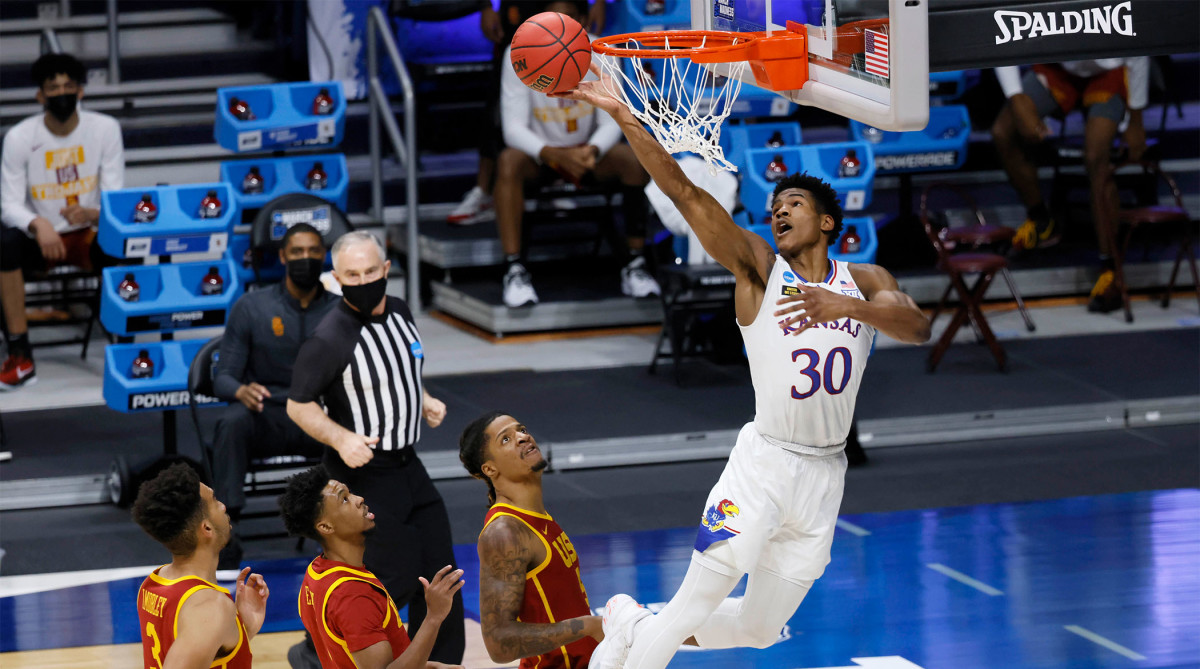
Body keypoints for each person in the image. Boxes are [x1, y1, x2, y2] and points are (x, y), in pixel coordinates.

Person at [552, 66, 931, 669]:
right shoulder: (759, 267)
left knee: (759, 629)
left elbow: (919, 329)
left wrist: (846, 305)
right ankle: (643, 637)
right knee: (699, 598)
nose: (779, 211)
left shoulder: (869, 281)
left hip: (825, 473)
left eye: (795, 203)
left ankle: (631, 622)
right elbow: (686, 193)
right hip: (765, 464)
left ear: (828, 222)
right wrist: (625, 117)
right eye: (775, 204)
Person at [287, 231, 464, 665]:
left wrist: (421, 400)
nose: (363, 280)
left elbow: (399, 370)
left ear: (386, 270)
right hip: (363, 475)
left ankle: (442, 663)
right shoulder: (328, 338)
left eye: (370, 271)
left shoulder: (402, 312)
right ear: (336, 278)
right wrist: (341, 437)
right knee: (389, 577)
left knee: (441, 573)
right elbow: (297, 405)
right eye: (352, 274)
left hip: (410, 466)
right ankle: (315, 656)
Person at [495, 0, 659, 308]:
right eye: (554, 20)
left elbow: (614, 118)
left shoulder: (602, 51)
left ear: (583, 20)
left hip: (589, 153)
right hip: (540, 155)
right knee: (508, 162)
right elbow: (512, 129)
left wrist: (592, 150)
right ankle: (514, 268)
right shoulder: (518, 54)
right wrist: (552, 153)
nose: (561, 29)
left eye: (569, 19)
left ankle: (636, 264)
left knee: (633, 160)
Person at [209, 222, 340, 571]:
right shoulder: (252, 307)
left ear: (324, 256)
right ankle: (226, 532)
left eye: (314, 251)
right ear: (282, 257)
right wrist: (240, 390)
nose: (306, 258)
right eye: (297, 252)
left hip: (319, 418)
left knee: (356, 426)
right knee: (231, 422)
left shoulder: (343, 312)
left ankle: (350, 528)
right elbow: (223, 377)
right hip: (267, 414)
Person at [0, 52, 124, 390]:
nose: (62, 93)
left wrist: (91, 214)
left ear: (82, 91)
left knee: (127, 243)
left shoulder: (105, 129)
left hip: (87, 235)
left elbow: (116, 197)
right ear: (40, 96)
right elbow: (8, 204)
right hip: (42, 240)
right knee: (4, 245)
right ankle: (21, 355)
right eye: (52, 88)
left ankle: (128, 348)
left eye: (69, 86)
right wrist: (39, 225)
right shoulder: (19, 138)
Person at [991, 59, 1150, 313]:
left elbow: (1138, 50)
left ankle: (1111, 269)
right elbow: (1003, 32)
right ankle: (1042, 221)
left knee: (1096, 156)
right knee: (1003, 132)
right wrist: (1015, 95)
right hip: (1059, 66)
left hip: (1109, 71)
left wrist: (1136, 119)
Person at [458, 411, 608, 668]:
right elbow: (498, 643)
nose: (522, 437)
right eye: (505, 439)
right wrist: (586, 626)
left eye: (521, 429)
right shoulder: (504, 533)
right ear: (489, 469)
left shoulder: (536, 515)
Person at [279, 465, 465, 669]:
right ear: (325, 527)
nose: (359, 499)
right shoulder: (353, 597)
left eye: (351, 493)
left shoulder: (316, 572)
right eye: (344, 499)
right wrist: (433, 618)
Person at [448, 0, 608, 226]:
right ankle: (485, 190)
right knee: (503, 105)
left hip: (572, 15)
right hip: (524, 8)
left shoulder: (599, 50)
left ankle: (557, 181)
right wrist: (485, 6)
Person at [132, 463, 269, 668]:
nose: (223, 506)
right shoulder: (211, 607)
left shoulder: (153, 583)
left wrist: (242, 630)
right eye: (214, 501)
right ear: (206, 528)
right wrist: (220, 617)